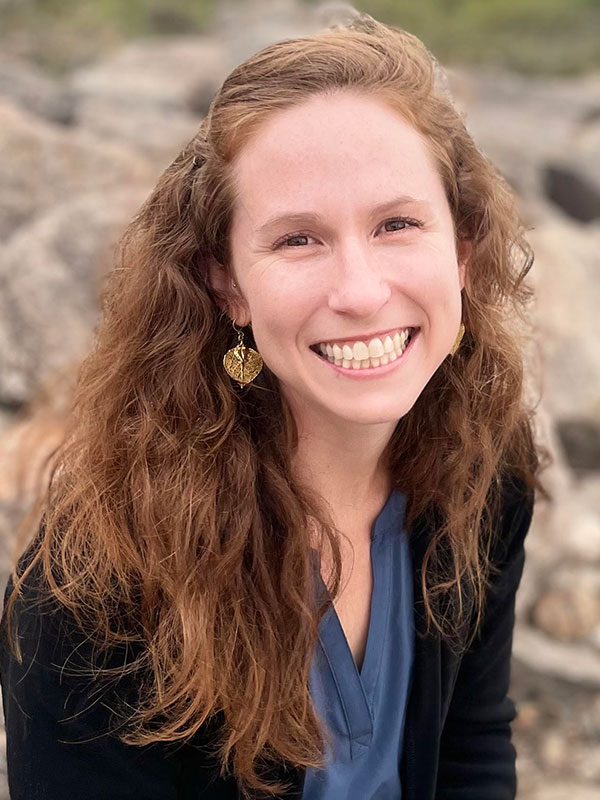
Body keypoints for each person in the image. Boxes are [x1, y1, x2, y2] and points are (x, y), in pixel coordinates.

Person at [0, 13, 546, 800]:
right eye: (298, 240)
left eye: (397, 224)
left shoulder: (487, 468)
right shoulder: (97, 590)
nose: (360, 292)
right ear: (227, 284)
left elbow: (471, 747)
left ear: (461, 250)